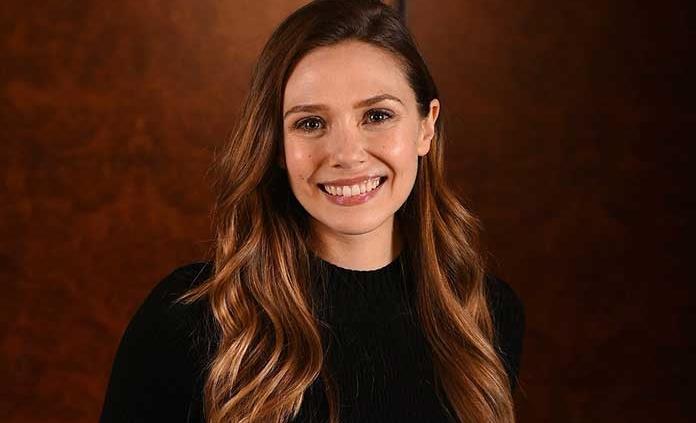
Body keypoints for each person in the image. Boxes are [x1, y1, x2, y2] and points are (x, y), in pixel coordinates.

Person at [99, 1, 525, 422]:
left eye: (377, 115)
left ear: (426, 126)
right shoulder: (188, 319)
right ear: (277, 145)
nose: (346, 154)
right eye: (310, 123)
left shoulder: (484, 315)